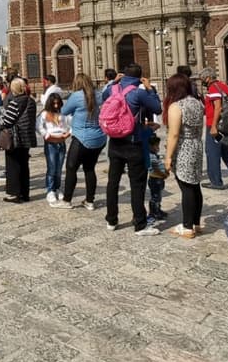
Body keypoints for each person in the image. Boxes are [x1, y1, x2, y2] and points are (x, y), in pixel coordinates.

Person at [101, 63, 162, 234]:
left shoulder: (111, 90)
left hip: (114, 142)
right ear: (140, 77)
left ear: (123, 75)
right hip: (133, 143)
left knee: (113, 182)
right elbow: (157, 108)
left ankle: (111, 220)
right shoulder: (139, 93)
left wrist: (114, 82)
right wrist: (151, 89)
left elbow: (102, 97)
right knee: (137, 184)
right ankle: (140, 223)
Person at [55, 73, 106, 210]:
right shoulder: (99, 94)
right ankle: (90, 201)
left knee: (71, 168)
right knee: (89, 168)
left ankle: (67, 200)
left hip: (82, 137)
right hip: (99, 137)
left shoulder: (76, 96)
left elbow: (64, 111)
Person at [163, 73, 205, 238]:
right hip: (196, 145)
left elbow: (174, 134)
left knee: (186, 187)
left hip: (184, 147)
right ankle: (196, 223)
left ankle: (187, 227)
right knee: (195, 185)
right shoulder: (197, 103)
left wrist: (168, 157)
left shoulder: (177, 106)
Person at [197, 67, 228, 190]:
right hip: (226, 124)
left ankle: (216, 181)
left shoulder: (213, 88)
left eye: (202, 79)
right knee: (225, 152)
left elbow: (218, 107)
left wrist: (214, 126)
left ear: (208, 77)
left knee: (212, 152)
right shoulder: (223, 85)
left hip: (215, 124)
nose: (202, 81)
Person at [0, 78, 37, 203]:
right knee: (24, 165)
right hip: (27, 137)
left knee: (13, 165)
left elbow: (7, 121)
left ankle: (15, 193)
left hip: (15, 137)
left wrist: (1, 120)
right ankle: (25, 193)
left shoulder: (15, 102)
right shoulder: (31, 101)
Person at [36, 92, 72, 205]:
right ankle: (50, 190)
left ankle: (57, 187)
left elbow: (72, 123)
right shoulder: (45, 114)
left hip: (61, 141)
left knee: (59, 168)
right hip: (51, 142)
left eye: (58, 103)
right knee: (51, 167)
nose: (56, 106)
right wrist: (46, 135)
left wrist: (68, 133)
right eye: (54, 104)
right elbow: (38, 126)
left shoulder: (63, 114)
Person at [147, 136, 168, 223]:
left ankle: (158, 210)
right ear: (150, 146)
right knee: (155, 197)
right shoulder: (151, 156)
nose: (158, 148)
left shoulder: (155, 155)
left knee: (158, 197)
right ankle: (153, 213)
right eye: (156, 146)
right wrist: (163, 175)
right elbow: (155, 170)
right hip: (155, 179)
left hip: (159, 179)